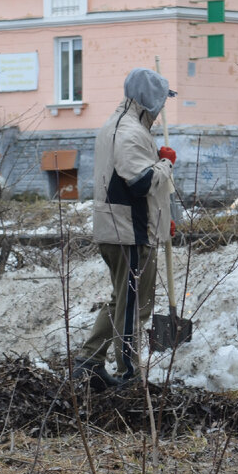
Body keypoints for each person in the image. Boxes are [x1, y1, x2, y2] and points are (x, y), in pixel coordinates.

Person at [74, 68, 176, 390]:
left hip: (122, 228)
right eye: (160, 103)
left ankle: (89, 363)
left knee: (123, 302)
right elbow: (140, 182)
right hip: (127, 232)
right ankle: (130, 376)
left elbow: (127, 179)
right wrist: (166, 162)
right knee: (134, 308)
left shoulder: (119, 125)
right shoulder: (129, 131)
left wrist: (161, 217)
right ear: (149, 102)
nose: (161, 111)